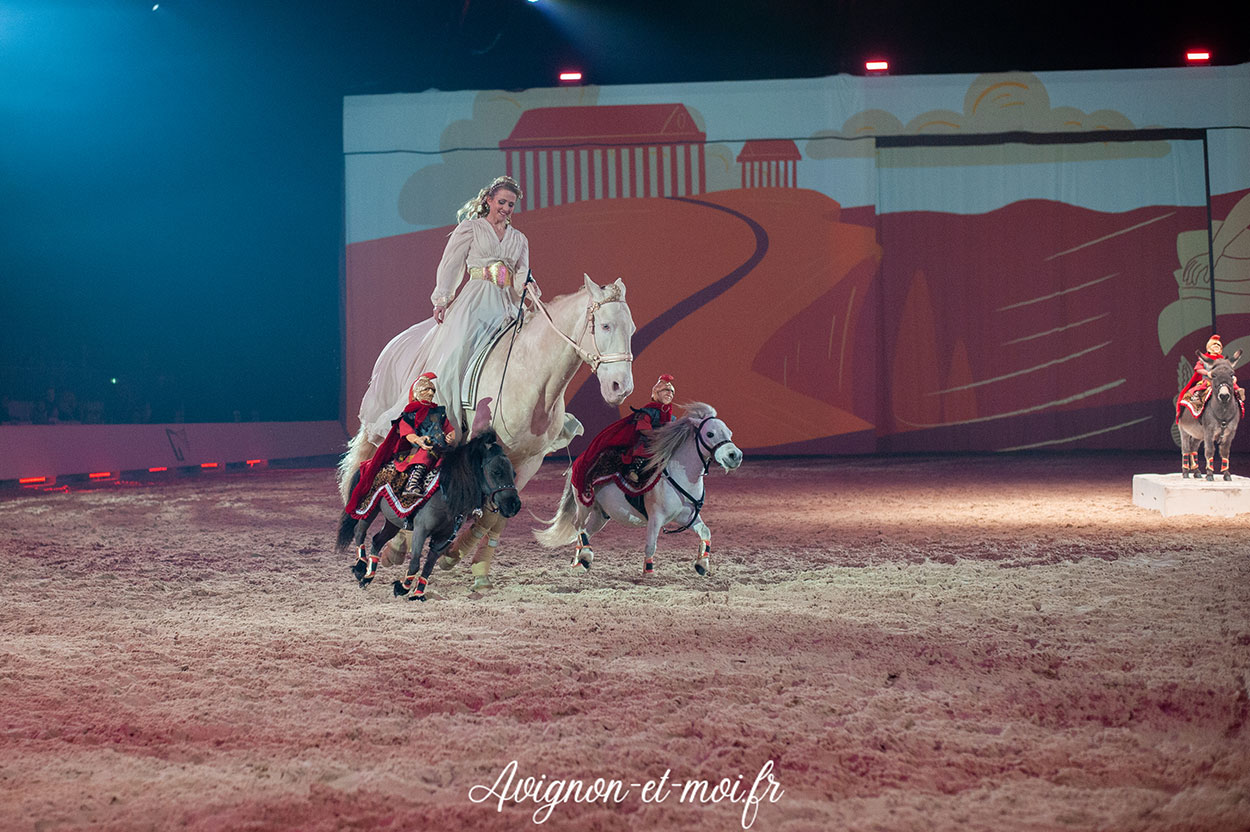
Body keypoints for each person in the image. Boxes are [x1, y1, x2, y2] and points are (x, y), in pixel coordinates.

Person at [358, 175, 535, 444]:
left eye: (511, 204)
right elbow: (451, 264)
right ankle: (441, 422)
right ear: (488, 200)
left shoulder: (519, 239)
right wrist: (442, 298)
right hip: (476, 300)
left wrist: (528, 286)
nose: (506, 209)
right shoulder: (471, 228)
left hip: (506, 303)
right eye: (502, 202)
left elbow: (521, 272)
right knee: (456, 352)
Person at [346, 372, 456, 518]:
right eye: (426, 390)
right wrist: (419, 440)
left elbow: (449, 429)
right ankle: (413, 482)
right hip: (417, 449)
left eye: (432, 390)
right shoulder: (409, 415)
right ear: (417, 393)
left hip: (440, 448)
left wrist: (450, 437)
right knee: (425, 454)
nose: (430, 392)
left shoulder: (439, 412)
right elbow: (407, 433)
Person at [570, 374, 677, 505]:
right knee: (644, 452)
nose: (669, 394)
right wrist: (659, 435)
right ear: (656, 393)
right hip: (647, 442)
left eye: (671, 392)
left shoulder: (671, 417)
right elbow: (643, 429)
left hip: (663, 445)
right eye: (666, 391)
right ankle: (634, 469)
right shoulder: (648, 412)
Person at [1177, 334, 1242, 421]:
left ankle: (1236, 407)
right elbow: (1198, 369)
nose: (1216, 347)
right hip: (1208, 382)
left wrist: (1233, 378)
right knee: (1199, 394)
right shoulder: (1205, 358)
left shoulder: (1223, 360)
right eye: (1214, 345)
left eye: (1218, 345)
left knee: (1232, 391)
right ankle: (1197, 413)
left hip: (1222, 381)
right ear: (1209, 347)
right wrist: (1208, 373)